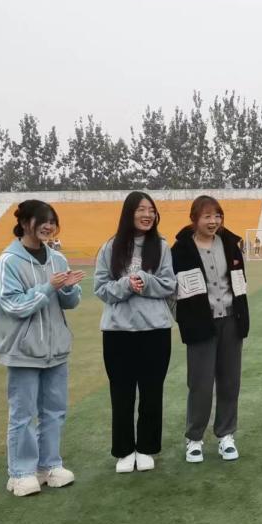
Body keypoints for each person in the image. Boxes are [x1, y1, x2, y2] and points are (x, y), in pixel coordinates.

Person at [0, 200, 83, 497]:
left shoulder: (58, 259)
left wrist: (68, 288)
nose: (48, 226)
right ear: (24, 223)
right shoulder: (9, 261)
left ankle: (49, 465)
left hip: (55, 348)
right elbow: (13, 305)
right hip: (23, 350)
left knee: (54, 410)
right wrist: (48, 287)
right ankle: (20, 472)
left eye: (52, 221)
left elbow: (70, 302)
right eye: (42, 220)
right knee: (23, 413)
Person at [94, 191, 176, 474]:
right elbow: (100, 288)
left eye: (151, 210)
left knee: (152, 392)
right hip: (118, 332)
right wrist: (126, 285)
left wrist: (144, 280)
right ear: (129, 213)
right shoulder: (110, 247)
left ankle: (146, 448)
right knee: (121, 393)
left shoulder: (162, 246)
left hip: (155, 331)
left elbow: (169, 284)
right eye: (141, 209)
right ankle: (124, 450)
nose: (147, 215)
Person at [171, 196, 250, 464]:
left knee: (230, 382)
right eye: (207, 216)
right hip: (200, 324)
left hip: (231, 321)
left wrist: (241, 314)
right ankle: (194, 438)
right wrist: (184, 318)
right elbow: (172, 290)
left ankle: (226, 435)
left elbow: (239, 282)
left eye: (217, 216)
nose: (213, 221)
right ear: (194, 219)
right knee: (200, 384)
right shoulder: (180, 250)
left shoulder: (230, 244)